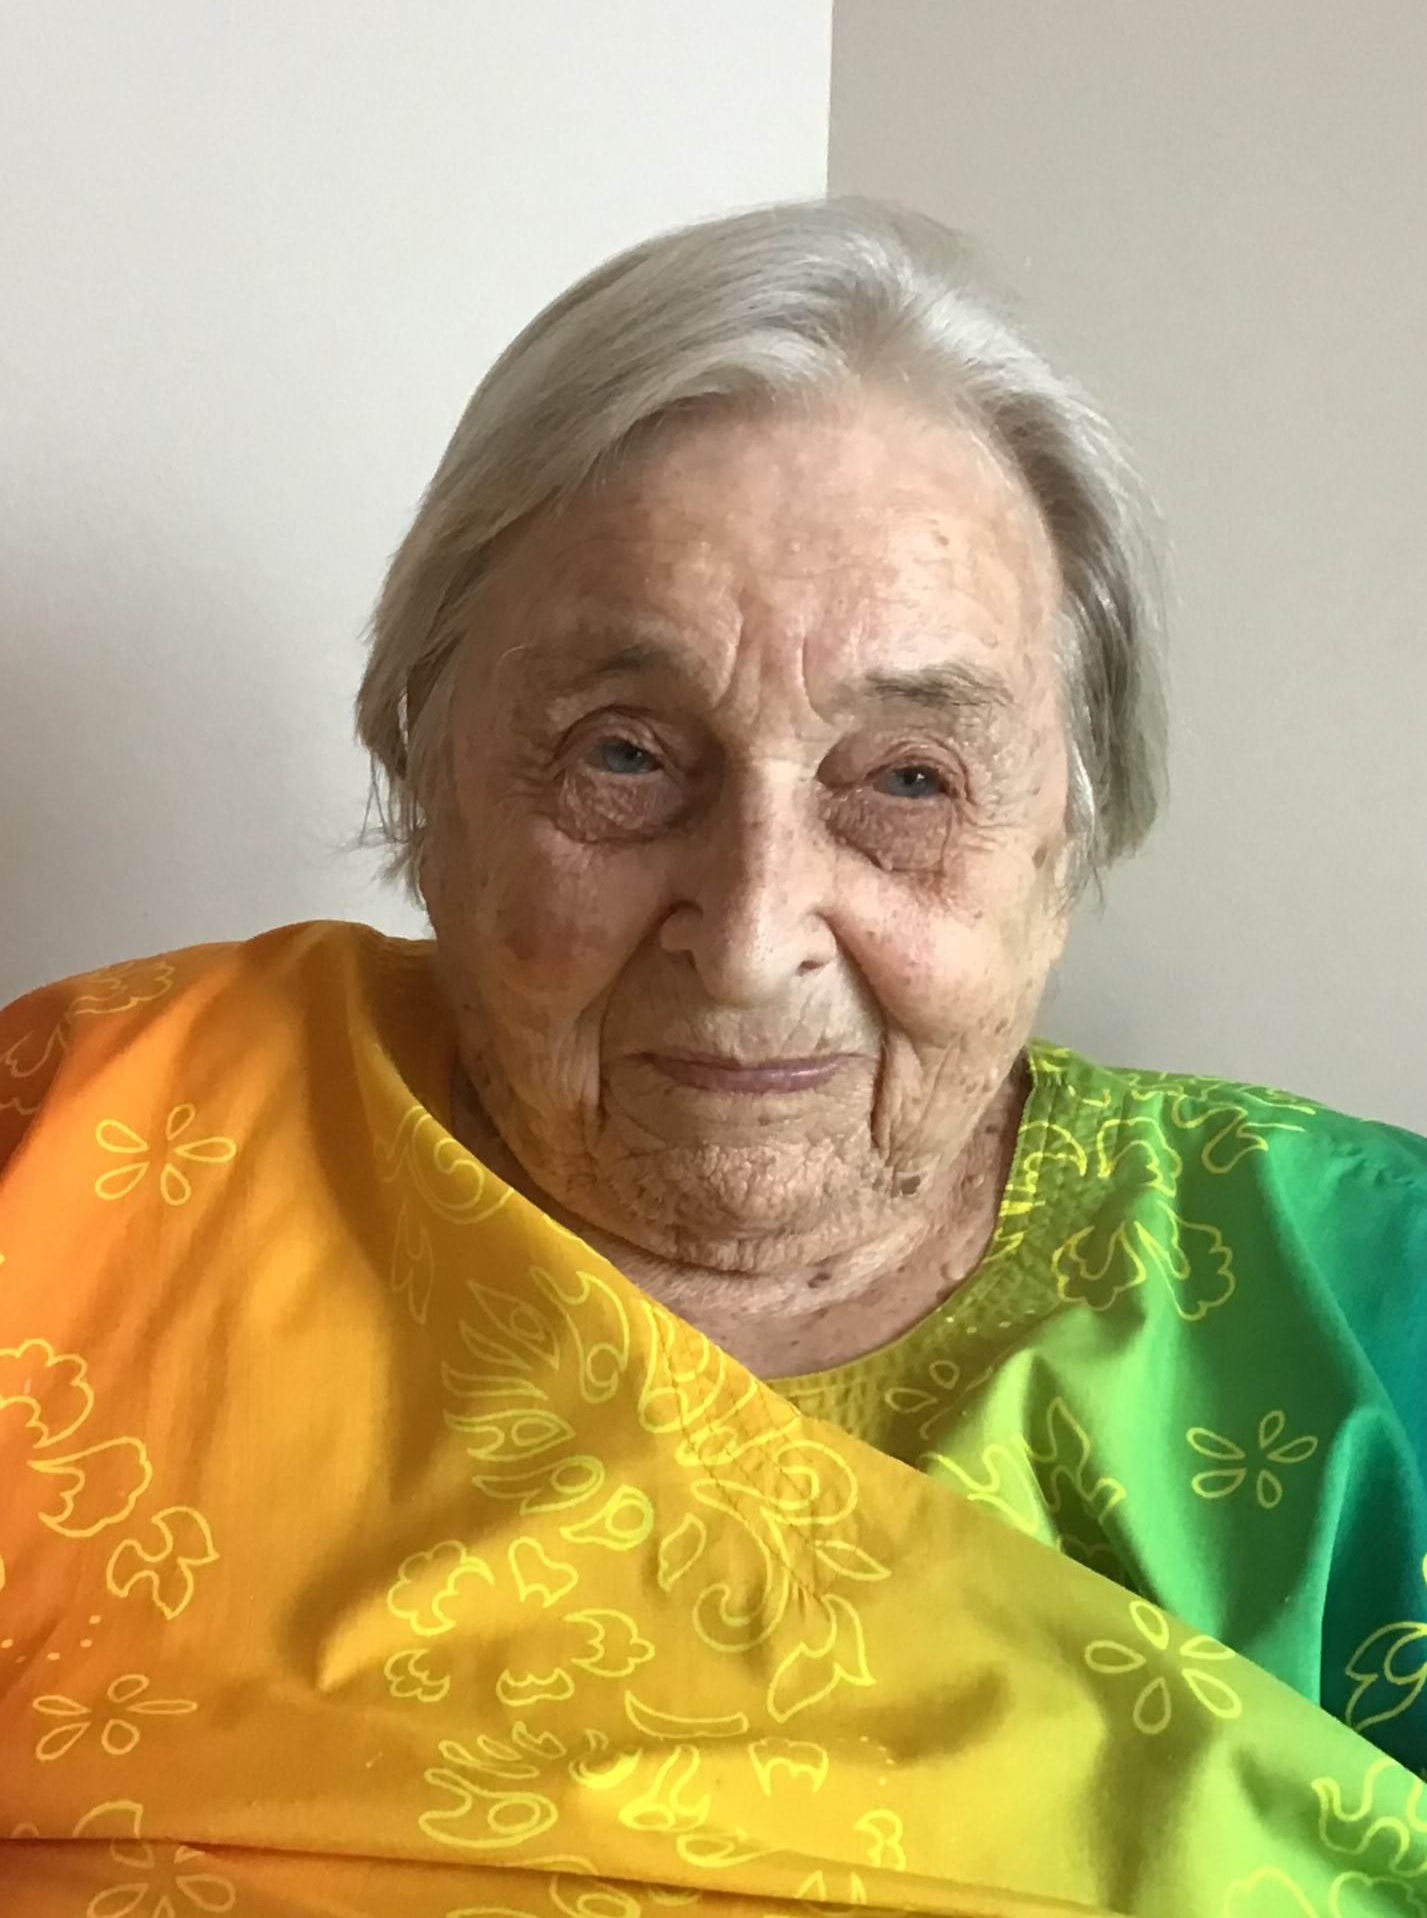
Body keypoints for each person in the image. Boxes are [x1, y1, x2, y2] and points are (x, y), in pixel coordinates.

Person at [2, 199, 1424, 1918]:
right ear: (424, 778)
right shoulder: (85, 1154)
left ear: (1070, 837)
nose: (752, 938)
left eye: (908, 781)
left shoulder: (1367, 1315)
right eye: (623, 756)